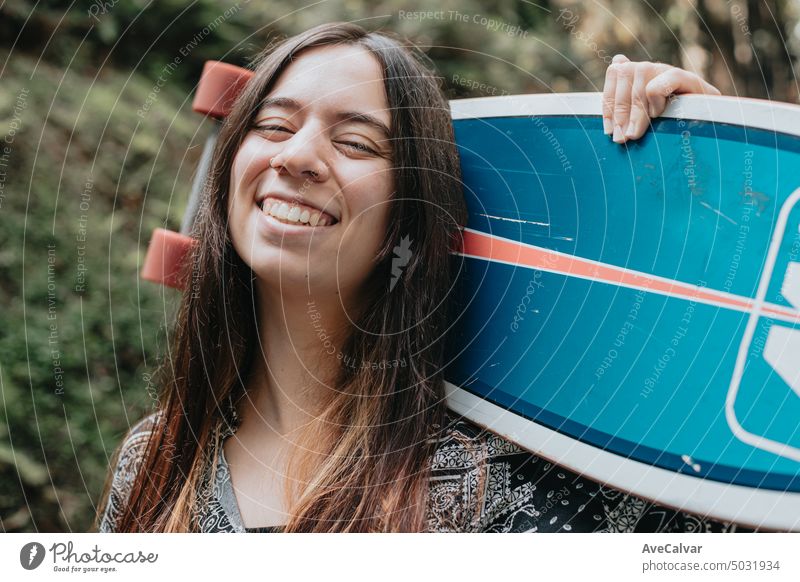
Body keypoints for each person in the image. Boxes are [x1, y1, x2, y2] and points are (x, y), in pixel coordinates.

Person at [95, 21, 746, 533]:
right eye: (272, 125)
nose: (296, 157)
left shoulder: (501, 480)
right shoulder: (155, 461)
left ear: (406, 223)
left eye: (355, 143)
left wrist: (729, 207)